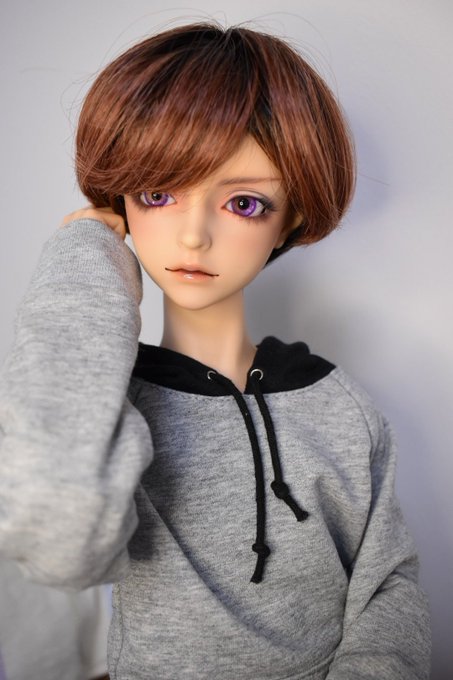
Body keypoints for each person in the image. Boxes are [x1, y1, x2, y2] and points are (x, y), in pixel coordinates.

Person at [0, 21, 430, 679]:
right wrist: (83, 257)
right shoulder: (110, 413)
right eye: (158, 194)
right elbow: (59, 536)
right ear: (122, 205)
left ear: (289, 219)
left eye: (244, 203)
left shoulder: (342, 406)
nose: (193, 235)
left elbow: (388, 583)